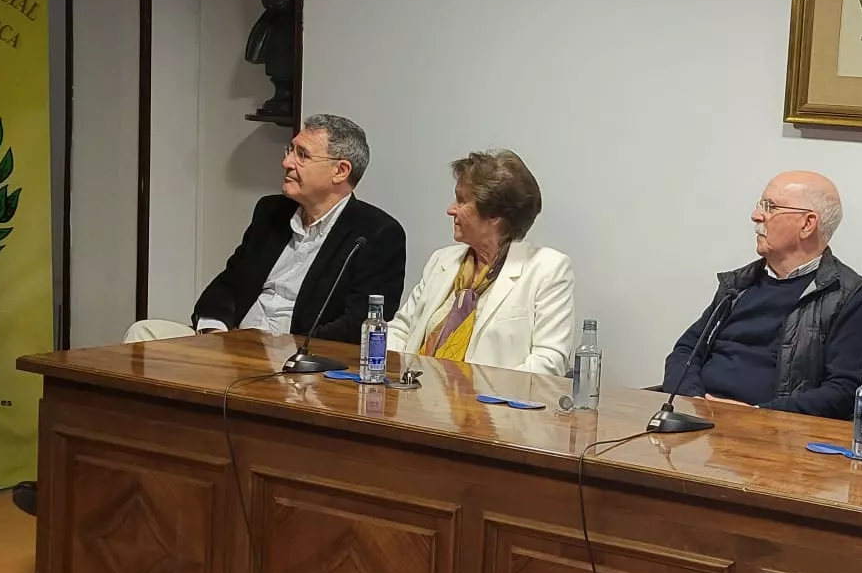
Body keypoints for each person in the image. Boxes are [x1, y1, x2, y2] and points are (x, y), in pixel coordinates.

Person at [123, 114, 405, 344]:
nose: (286, 162)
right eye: (290, 150)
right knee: (144, 333)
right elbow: (230, 282)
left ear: (340, 171)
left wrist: (283, 347)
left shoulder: (376, 233)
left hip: (295, 361)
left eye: (302, 155)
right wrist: (214, 332)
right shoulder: (271, 211)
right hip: (231, 346)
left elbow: (358, 324)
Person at [658, 171, 862, 419]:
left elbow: (844, 391)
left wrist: (759, 415)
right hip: (700, 424)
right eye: (760, 205)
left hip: (779, 437)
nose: (756, 216)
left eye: (770, 207)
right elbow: (686, 350)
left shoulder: (849, 295)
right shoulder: (739, 284)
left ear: (807, 224)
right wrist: (694, 400)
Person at [386, 150, 574, 376]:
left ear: (495, 216)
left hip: (492, 406)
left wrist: (478, 398)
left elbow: (549, 362)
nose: (450, 209)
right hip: (415, 397)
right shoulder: (442, 260)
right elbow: (401, 329)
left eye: (462, 201)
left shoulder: (547, 269)